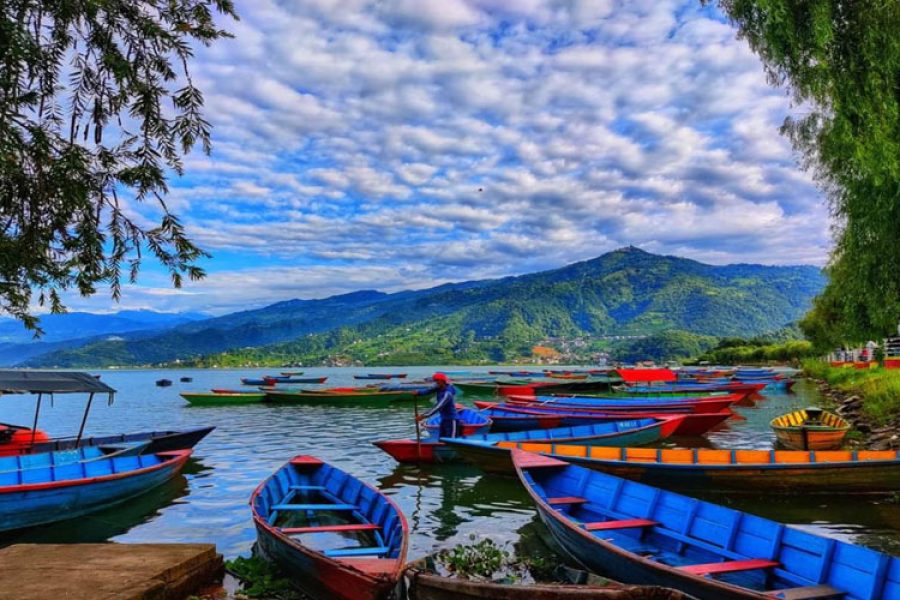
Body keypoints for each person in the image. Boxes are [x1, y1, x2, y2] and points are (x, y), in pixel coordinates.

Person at [415, 372, 459, 438]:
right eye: (435, 381)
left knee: (452, 439)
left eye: (436, 381)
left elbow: (438, 407)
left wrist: (423, 416)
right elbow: (428, 391)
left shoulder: (447, 393)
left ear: (442, 381)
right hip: (444, 418)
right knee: (442, 438)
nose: (435, 383)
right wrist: (418, 393)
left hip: (452, 419)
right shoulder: (439, 387)